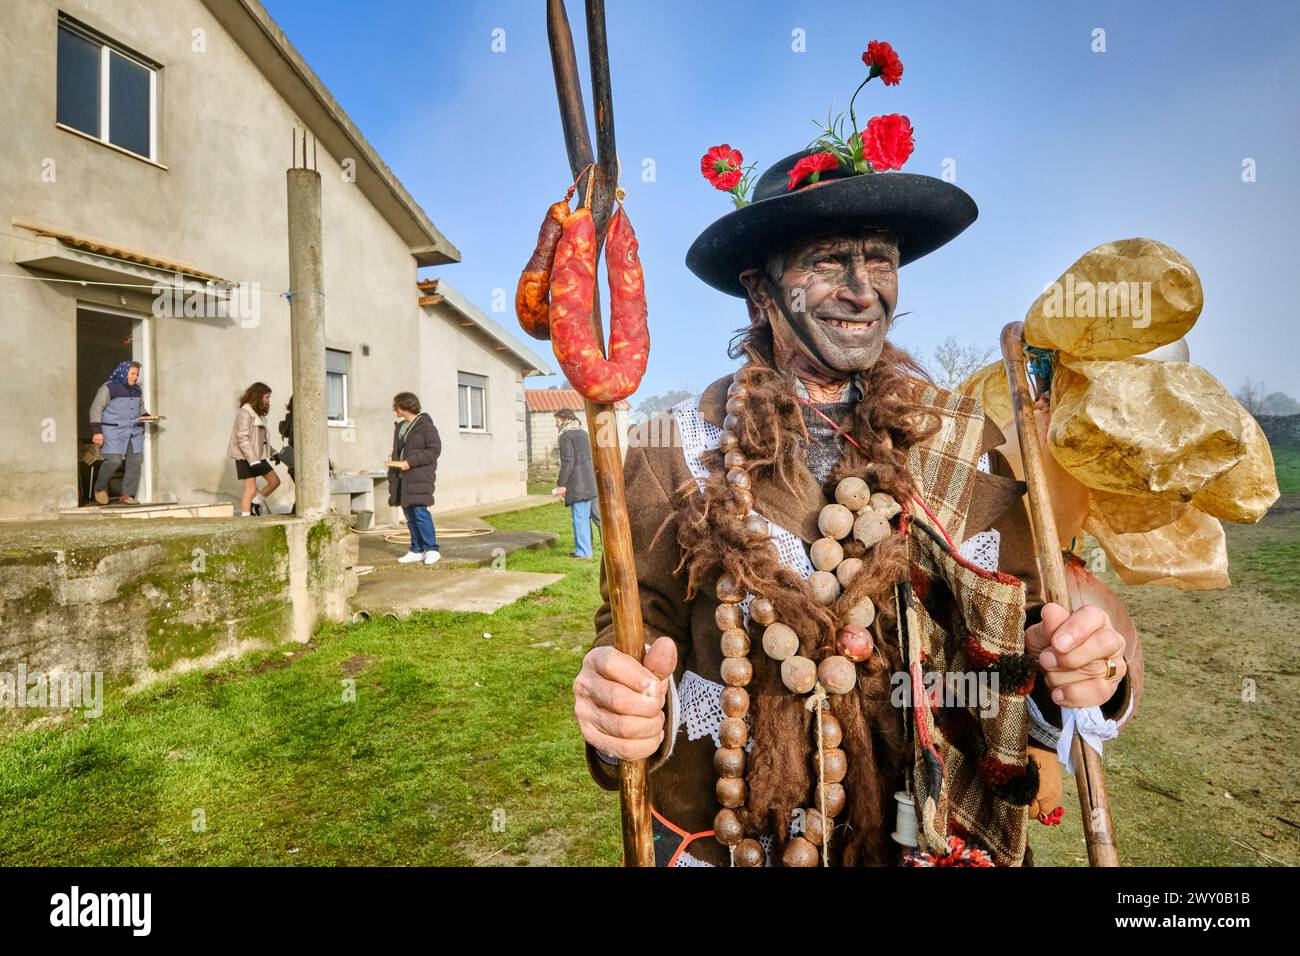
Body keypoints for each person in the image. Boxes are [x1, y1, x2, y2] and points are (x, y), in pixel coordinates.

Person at [571, 105, 1144, 865]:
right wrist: (620, 702)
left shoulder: (961, 441)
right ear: (761, 292)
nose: (862, 289)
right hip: (729, 840)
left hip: (930, 845)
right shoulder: (672, 443)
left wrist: (1089, 670)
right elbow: (637, 624)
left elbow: (1041, 624)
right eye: (826, 260)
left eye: (879, 259)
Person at [387, 392, 442, 566]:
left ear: (405, 406)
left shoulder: (426, 426)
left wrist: (410, 462)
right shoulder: (400, 427)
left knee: (420, 513)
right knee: (409, 516)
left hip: (419, 477)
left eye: (396, 405)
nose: (394, 409)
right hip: (402, 478)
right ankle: (416, 550)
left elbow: (434, 451)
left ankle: (432, 549)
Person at [89, 361, 154, 505]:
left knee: (135, 462)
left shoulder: (137, 389)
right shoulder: (107, 388)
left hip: (133, 431)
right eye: (132, 373)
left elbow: (140, 408)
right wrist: (97, 432)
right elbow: (96, 409)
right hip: (112, 431)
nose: (135, 377)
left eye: (137, 374)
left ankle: (126, 495)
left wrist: (148, 416)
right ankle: (100, 488)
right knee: (114, 461)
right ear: (123, 372)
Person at [226, 382, 280, 516]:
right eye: (267, 397)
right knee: (250, 489)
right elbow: (242, 438)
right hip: (245, 456)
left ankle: (255, 503)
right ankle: (246, 519)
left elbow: (261, 441)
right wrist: (252, 460)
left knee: (274, 481)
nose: (268, 401)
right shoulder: (245, 412)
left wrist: (273, 453)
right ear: (258, 396)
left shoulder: (258, 414)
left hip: (256, 456)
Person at [553, 409, 598, 558]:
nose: (555, 424)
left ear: (565, 419)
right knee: (590, 518)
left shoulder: (565, 436)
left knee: (579, 519)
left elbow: (568, 461)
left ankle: (584, 552)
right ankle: (588, 549)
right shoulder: (583, 433)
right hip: (590, 481)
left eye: (557, 420)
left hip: (578, 483)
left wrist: (561, 484)